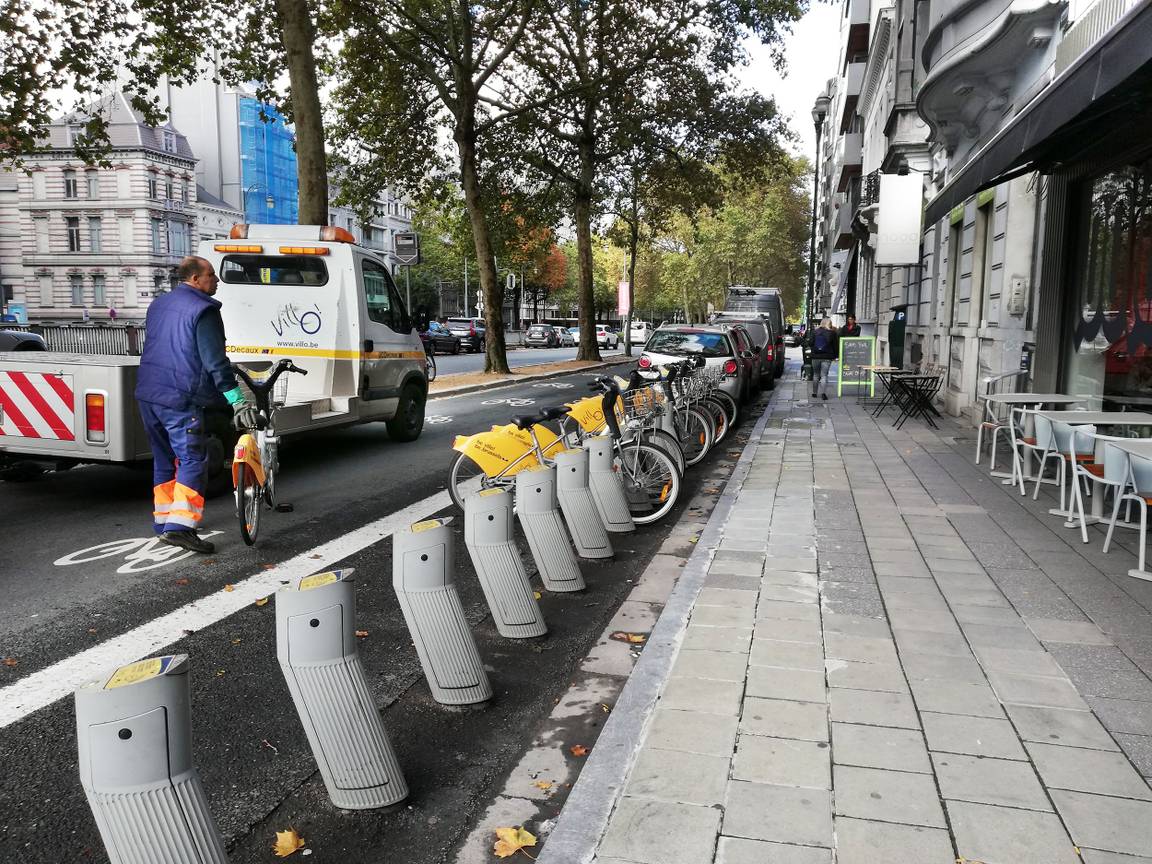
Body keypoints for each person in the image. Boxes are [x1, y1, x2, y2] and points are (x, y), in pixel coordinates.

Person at [135, 256, 258, 553]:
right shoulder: (204, 310)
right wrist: (237, 401)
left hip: (148, 392)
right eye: (211, 275)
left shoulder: (159, 305)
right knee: (193, 459)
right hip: (180, 397)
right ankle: (180, 528)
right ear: (195, 279)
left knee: (164, 458)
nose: (216, 280)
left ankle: (164, 521)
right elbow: (216, 363)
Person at [806, 318, 839, 401]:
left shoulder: (814, 332)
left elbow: (810, 343)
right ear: (829, 324)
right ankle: (823, 394)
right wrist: (836, 356)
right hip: (827, 357)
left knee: (816, 375)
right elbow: (835, 346)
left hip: (815, 357)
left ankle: (814, 393)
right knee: (824, 375)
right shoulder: (832, 333)